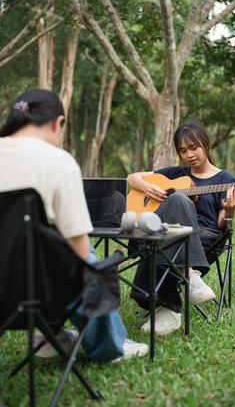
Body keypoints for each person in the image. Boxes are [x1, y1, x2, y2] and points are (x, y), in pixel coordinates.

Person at [0, 88, 148, 362]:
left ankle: (50, 336)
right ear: (58, 124)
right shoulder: (58, 162)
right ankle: (111, 346)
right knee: (87, 255)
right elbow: (80, 257)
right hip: (37, 293)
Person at [127, 120, 235, 336]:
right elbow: (133, 177)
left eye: (194, 147)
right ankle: (189, 281)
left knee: (177, 204)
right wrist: (148, 188)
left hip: (204, 237)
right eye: (183, 150)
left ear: (205, 144)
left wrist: (230, 212)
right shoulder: (178, 173)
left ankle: (167, 307)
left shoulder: (225, 179)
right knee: (168, 222)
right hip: (172, 234)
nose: (189, 154)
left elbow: (221, 224)